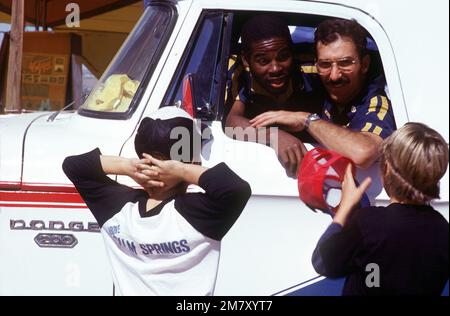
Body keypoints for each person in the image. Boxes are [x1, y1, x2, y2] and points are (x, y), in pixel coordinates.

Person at [62, 107, 251, 296]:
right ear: (194, 162)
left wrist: (127, 166)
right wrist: (182, 170)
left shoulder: (118, 209)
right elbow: (235, 189)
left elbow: (74, 166)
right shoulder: (198, 214)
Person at [311, 122, 449, 295]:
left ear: (387, 168)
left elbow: (323, 262)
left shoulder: (368, 223)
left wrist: (344, 209)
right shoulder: (443, 231)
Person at [250, 18, 397, 169]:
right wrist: (274, 137)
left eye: (345, 63)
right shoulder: (303, 74)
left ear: (365, 64)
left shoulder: (376, 100)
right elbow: (233, 124)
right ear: (316, 63)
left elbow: (363, 153)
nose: (334, 75)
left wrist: (306, 120)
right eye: (325, 64)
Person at [225, 14, 322, 178]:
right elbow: (231, 123)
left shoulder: (313, 67)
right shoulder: (238, 72)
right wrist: (274, 136)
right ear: (246, 60)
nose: (275, 68)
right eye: (263, 61)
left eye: (283, 57)